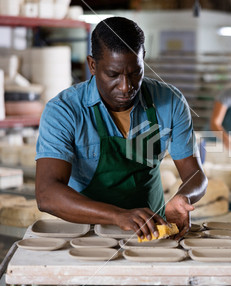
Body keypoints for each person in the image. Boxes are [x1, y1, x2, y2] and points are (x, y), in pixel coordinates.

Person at [35, 17, 207, 240]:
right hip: (86, 236)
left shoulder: (170, 102)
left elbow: (195, 174)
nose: (126, 86)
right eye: (113, 75)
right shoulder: (65, 110)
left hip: (151, 233)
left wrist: (184, 197)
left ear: (143, 60)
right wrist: (118, 215)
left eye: (135, 72)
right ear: (93, 65)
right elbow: (46, 194)